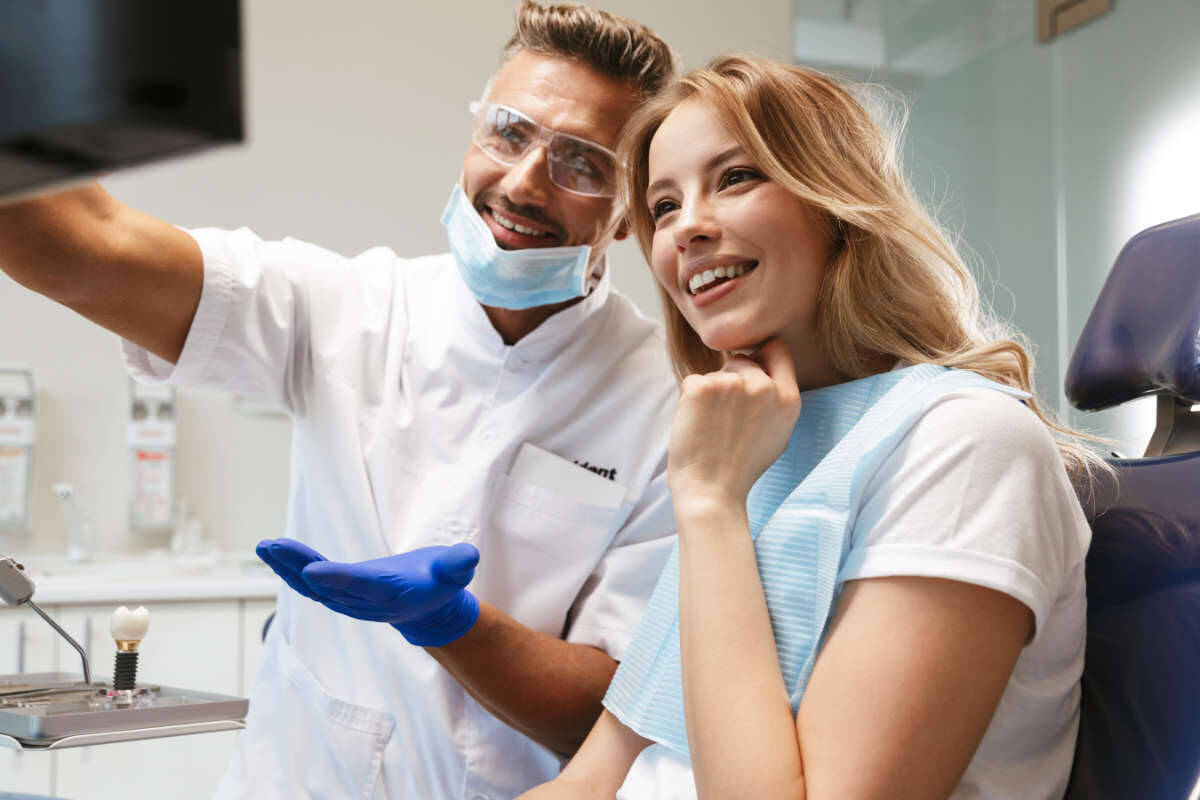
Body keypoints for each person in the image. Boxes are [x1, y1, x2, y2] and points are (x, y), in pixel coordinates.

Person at [0, 4, 682, 798]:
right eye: (508, 132)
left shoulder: (662, 406)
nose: (526, 180)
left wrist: (453, 624)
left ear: (630, 210)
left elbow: (610, 713)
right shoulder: (346, 306)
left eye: (581, 163)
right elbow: (77, 245)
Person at [519, 55, 1105, 800]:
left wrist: (708, 506)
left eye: (734, 178)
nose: (686, 227)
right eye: (664, 206)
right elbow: (596, 779)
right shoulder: (756, 445)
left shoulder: (967, 444)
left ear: (835, 204)